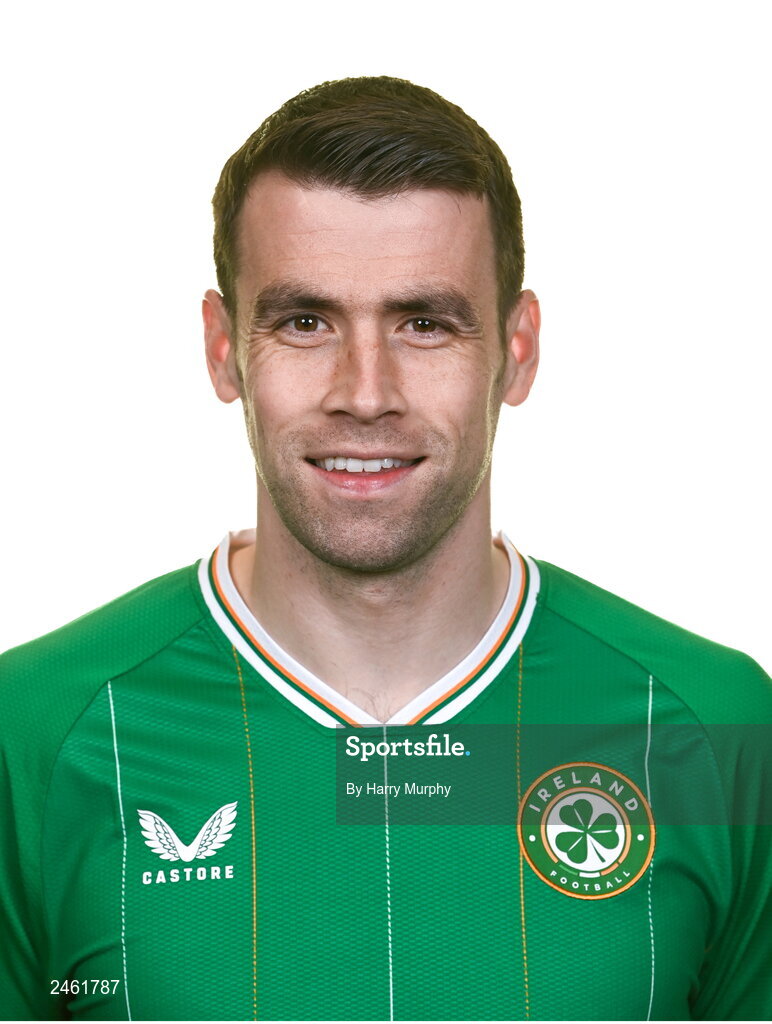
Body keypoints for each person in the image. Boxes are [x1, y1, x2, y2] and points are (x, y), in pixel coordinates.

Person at [0, 76, 769, 1023]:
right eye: (305, 322)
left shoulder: (712, 730)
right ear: (223, 349)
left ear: (518, 350)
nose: (365, 393)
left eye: (424, 323)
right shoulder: (36, 732)